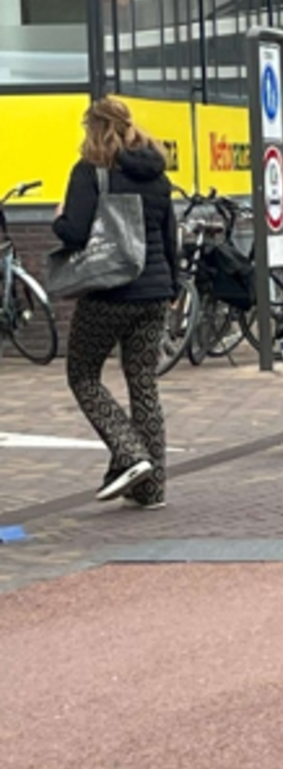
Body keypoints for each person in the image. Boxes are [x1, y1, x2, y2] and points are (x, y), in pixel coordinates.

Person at [53, 97, 176, 508]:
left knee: (83, 374)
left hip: (111, 292)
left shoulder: (91, 172)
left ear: (93, 128)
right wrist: (172, 288)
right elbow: (170, 237)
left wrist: (58, 216)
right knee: (143, 381)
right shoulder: (157, 174)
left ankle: (130, 453)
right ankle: (152, 488)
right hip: (155, 292)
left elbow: (73, 233)